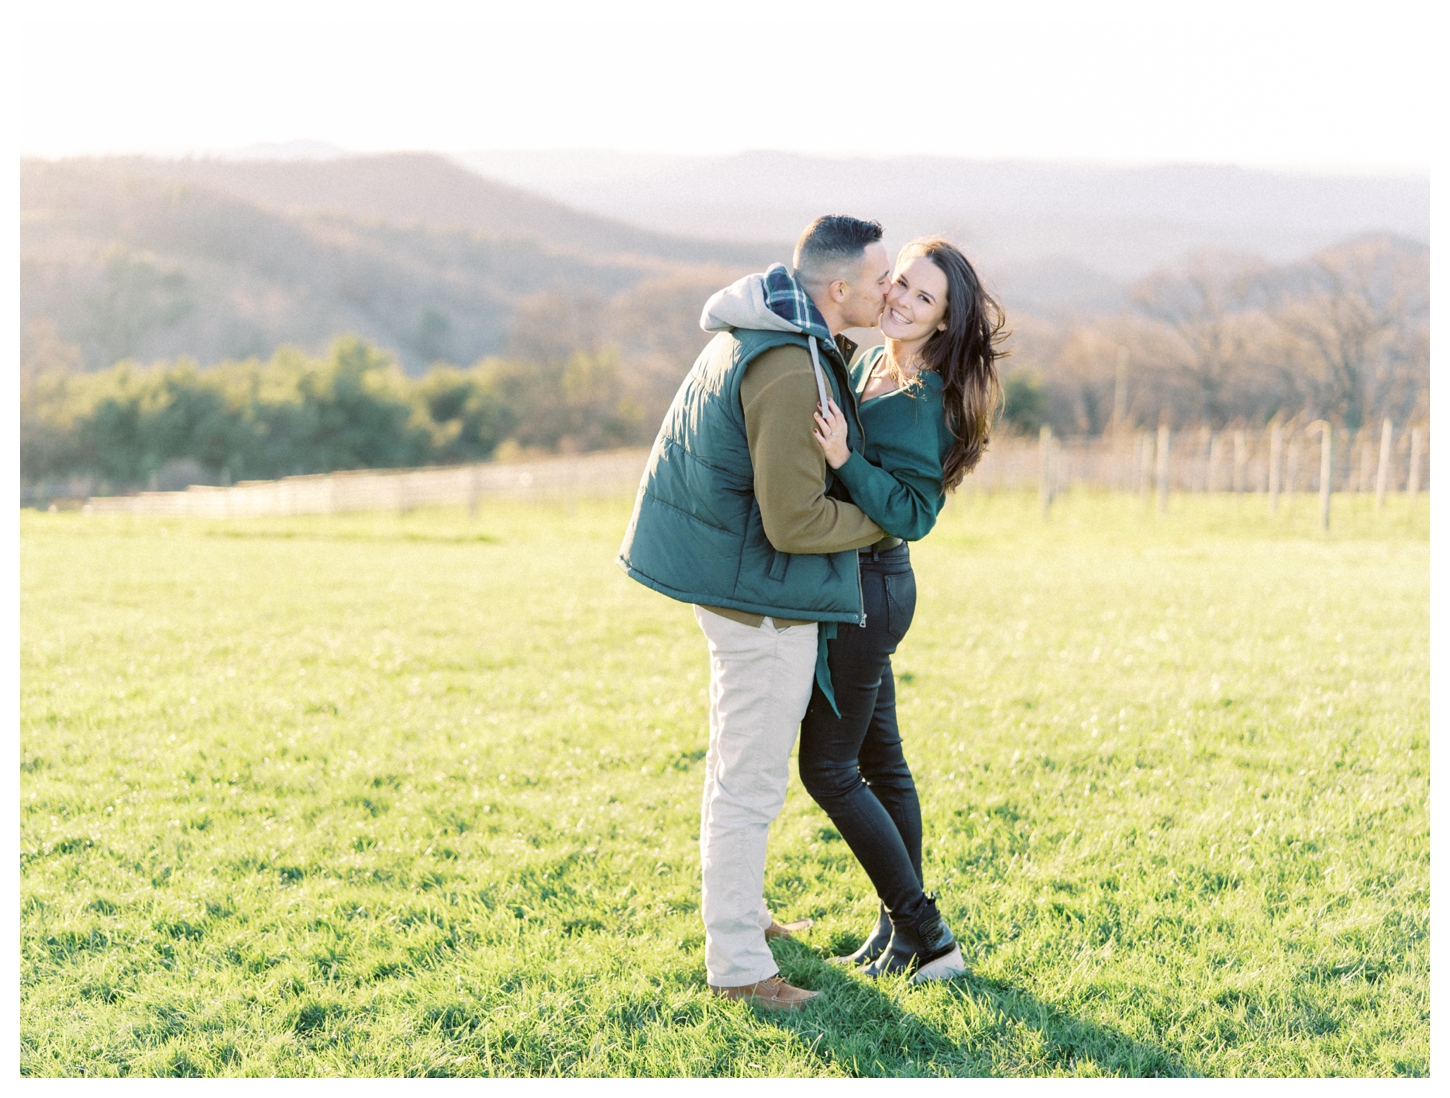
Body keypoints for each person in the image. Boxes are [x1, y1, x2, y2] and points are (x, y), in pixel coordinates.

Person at [617, 216, 893, 1010]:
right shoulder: (789, 368)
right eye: (879, 279)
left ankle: (745, 918)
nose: (889, 291)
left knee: (734, 771)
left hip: (745, 592)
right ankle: (738, 967)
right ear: (839, 289)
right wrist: (887, 514)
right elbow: (796, 522)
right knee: (748, 785)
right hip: (763, 603)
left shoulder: (770, 330)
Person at [799, 237, 1005, 983]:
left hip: (873, 589)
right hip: (852, 583)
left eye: (923, 299)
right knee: (880, 762)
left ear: (945, 323)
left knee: (827, 767)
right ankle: (900, 935)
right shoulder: (871, 363)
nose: (901, 302)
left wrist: (846, 460)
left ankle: (929, 935)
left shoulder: (927, 403)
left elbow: (915, 512)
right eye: (900, 284)